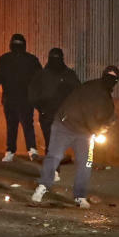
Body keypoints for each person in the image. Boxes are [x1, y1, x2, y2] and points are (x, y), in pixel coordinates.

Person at [31, 65, 119, 209]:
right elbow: (89, 113)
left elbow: (108, 118)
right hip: (65, 126)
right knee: (54, 156)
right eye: (108, 75)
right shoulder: (91, 88)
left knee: (86, 163)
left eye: (113, 77)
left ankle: (80, 195)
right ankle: (42, 187)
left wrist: (105, 127)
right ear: (103, 75)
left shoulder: (107, 100)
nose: (110, 79)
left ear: (116, 81)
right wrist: (97, 131)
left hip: (84, 132)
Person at [0, 33, 42, 162]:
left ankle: (10, 151)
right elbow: (40, 79)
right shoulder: (32, 60)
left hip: (9, 98)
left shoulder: (5, 59)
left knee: (12, 125)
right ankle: (32, 150)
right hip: (26, 99)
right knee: (27, 124)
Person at [28, 47, 80, 180]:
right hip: (51, 115)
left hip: (59, 115)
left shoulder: (66, 75)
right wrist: (41, 107)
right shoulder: (45, 75)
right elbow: (33, 94)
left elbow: (77, 94)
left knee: (54, 143)